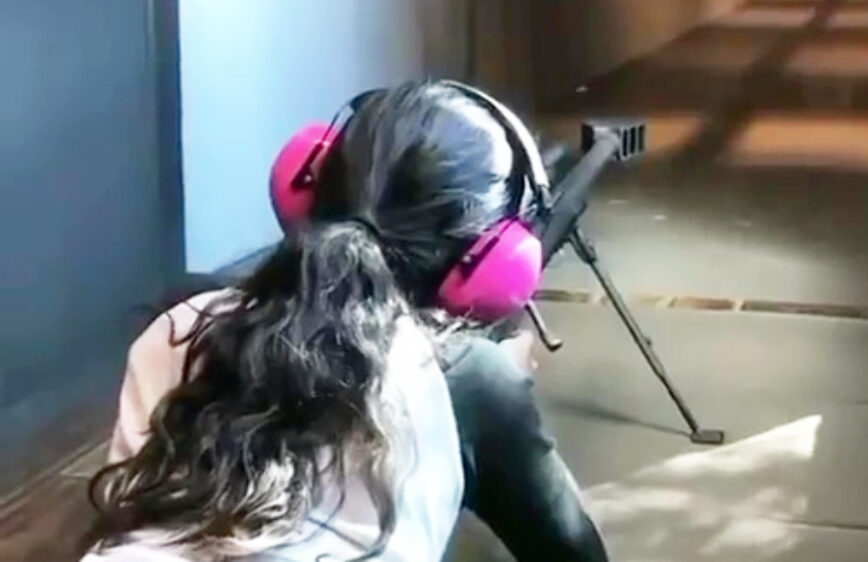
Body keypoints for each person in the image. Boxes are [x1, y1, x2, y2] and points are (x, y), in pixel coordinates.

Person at [83, 81, 607, 561]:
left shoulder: (175, 330)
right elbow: (572, 551)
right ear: (494, 268)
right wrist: (498, 390)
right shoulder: (467, 381)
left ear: (305, 183)